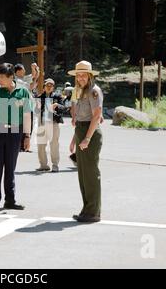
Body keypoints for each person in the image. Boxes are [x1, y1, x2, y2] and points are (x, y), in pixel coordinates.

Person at [0, 63, 32, 211]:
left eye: (1, 77)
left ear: (11, 76)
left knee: (10, 167)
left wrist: (27, 135)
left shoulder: (23, 92)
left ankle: (10, 200)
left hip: (16, 132)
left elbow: (27, 115)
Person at [68, 61, 103, 223]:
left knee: (90, 174)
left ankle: (93, 212)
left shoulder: (94, 91)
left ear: (90, 76)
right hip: (81, 130)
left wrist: (87, 138)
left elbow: (96, 116)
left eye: (83, 75)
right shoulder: (79, 91)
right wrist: (75, 140)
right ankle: (86, 210)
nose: (80, 78)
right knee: (83, 175)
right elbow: (78, 118)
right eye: (78, 75)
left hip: (90, 132)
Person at [35, 78, 68, 173]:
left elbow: (64, 108)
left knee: (54, 145)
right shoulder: (40, 97)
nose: (49, 87)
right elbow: (36, 111)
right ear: (44, 87)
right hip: (42, 123)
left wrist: (57, 105)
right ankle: (43, 165)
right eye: (47, 85)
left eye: (51, 86)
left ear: (53, 87)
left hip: (53, 123)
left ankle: (55, 165)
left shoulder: (58, 97)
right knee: (40, 145)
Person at [14, 63, 39, 152]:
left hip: (29, 104)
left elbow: (34, 75)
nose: (24, 71)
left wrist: (34, 68)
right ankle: (21, 145)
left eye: (24, 69)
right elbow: (31, 85)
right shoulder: (16, 80)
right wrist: (35, 78)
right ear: (17, 72)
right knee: (21, 125)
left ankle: (25, 145)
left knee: (29, 124)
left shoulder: (24, 78)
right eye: (22, 70)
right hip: (20, 105)